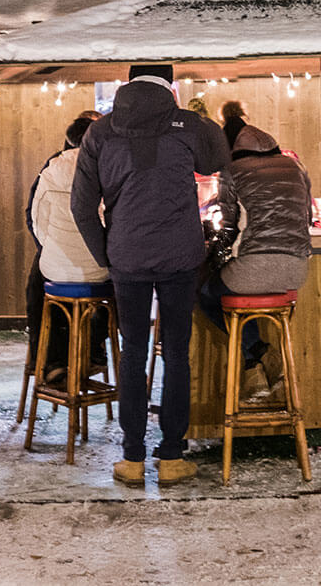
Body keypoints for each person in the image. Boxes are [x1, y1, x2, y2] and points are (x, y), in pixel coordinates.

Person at [72, 63, 229, 487]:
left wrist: (108, 253)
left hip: (127, 257)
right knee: (176, 353)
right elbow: (217, 159)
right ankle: (173, 457)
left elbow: (81, 206)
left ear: (127, 84)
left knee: (133, 353)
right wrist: (197, 118)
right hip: (179, 256)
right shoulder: (186, 125)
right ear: (170, 86)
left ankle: (132, 458)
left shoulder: (100, 131)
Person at [199, 101, 313, 397]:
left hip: (252, 268)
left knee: (207, 294)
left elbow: (228, 227)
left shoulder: (233, 171)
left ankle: (256, 356)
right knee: (232, 289)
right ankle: (260, 358)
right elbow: (307, 218)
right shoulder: (295, 166)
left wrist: (215, 253)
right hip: (297, 270)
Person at [26, 110, 105, 388]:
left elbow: (35, 217)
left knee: (39, 289)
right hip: (100, 264)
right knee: (123, 287)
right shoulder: (108, 167)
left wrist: (50, 247)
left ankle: (49, 362)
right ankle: (93, 350)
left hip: (56, 263)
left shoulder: (52, 167)